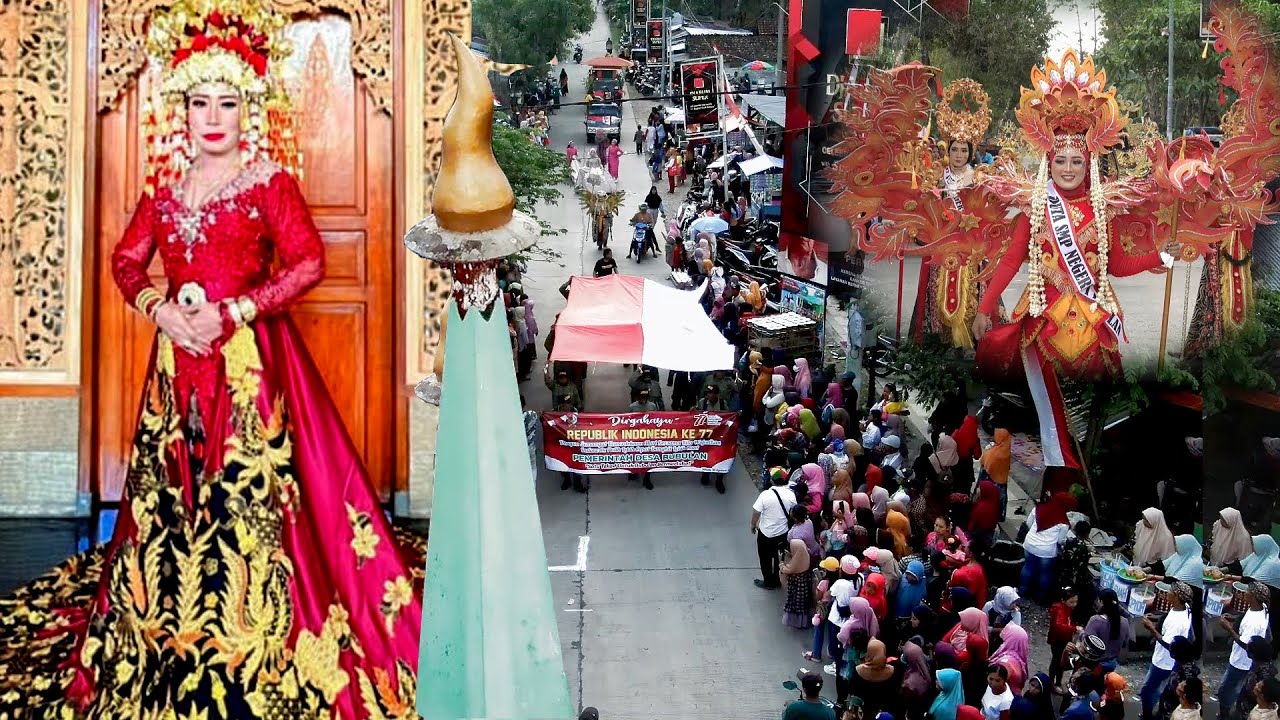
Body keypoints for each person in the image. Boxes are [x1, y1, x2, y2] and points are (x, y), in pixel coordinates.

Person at [63, 3, 422, 714]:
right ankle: (170, 624)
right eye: (200, 103)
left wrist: (234, 311)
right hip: (177, 369)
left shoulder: (266, 184)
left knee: (253, 500)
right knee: (174, 494)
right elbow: (125, 261)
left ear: (248, 110)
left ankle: (260, 630)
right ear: (183, 112)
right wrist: (158, 309)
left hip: (251, 366)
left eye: (227, 103)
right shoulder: (162, 193)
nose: (214, 118)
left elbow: (309, 263)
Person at [1218, 582, 1273, 720]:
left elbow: (1247, 645)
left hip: (1240, 662)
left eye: (1247, 591)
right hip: (1250, 662)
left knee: (1225, 690)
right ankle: (1239, 708)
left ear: (1254, 597)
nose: (1244, 593)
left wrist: (1228, 628)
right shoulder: (1262, 607)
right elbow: (1269, 635)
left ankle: (1224, 715)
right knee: (1243, 685)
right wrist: (1235, 619)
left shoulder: (1254, 623)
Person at [1141, 583, 1196, 720]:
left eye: (1170, 591)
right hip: (1167, 661)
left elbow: (1169, 645)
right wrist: (1156, 619)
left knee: (1147, 690)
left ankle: (1147, 715)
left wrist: (1151, 628)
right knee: (1158, 687)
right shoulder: (1183, 607)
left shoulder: (1177, 623)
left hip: (1163, 662)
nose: (1167, 593)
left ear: (1177, 597)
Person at [1019, 491, 1076, 604]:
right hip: (1046, 552)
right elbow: (1060, 541)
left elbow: (1029, 524)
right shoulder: (1063, 522)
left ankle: (1022, 591)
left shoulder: (1037, 509)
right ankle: (1039, 598)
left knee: (1028, 567)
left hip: (1029, 545)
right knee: (1045, 573)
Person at [752, 470, 797, 589]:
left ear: (772, 480)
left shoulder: (765, 495)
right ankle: (777, 579)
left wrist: (753, 525)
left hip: (765, 533)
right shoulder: (791, 495)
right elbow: (793, 512)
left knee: (764, 557)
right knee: (778, 556)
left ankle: (768, 581)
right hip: (782, 533)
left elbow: (756, 512)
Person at [981, 428, 1013, 520]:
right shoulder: (1006, 449)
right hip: (1002, 480)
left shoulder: (995, 452)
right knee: (1000, 500)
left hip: (991, 479)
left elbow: (986, 465)